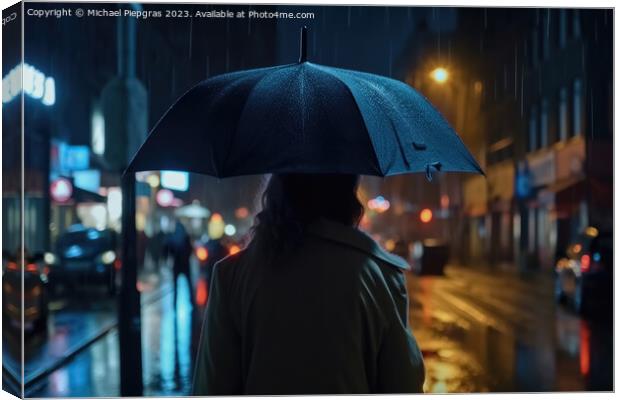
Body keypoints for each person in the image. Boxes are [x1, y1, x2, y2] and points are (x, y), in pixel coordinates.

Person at [192, 174, 425, 395]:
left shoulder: (233, 276)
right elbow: (404, 386)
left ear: (277, 190)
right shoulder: (380, 278)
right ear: (348, 191)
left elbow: (211, 388)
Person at [165, 220, 195, 308]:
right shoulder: (185, 237)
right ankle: (191, 302)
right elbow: (190, 250)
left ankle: (175, 303)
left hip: (179, 264)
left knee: (176, 285)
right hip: (184, 264)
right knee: (188, 284)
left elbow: (169, 251)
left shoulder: (174, 238)